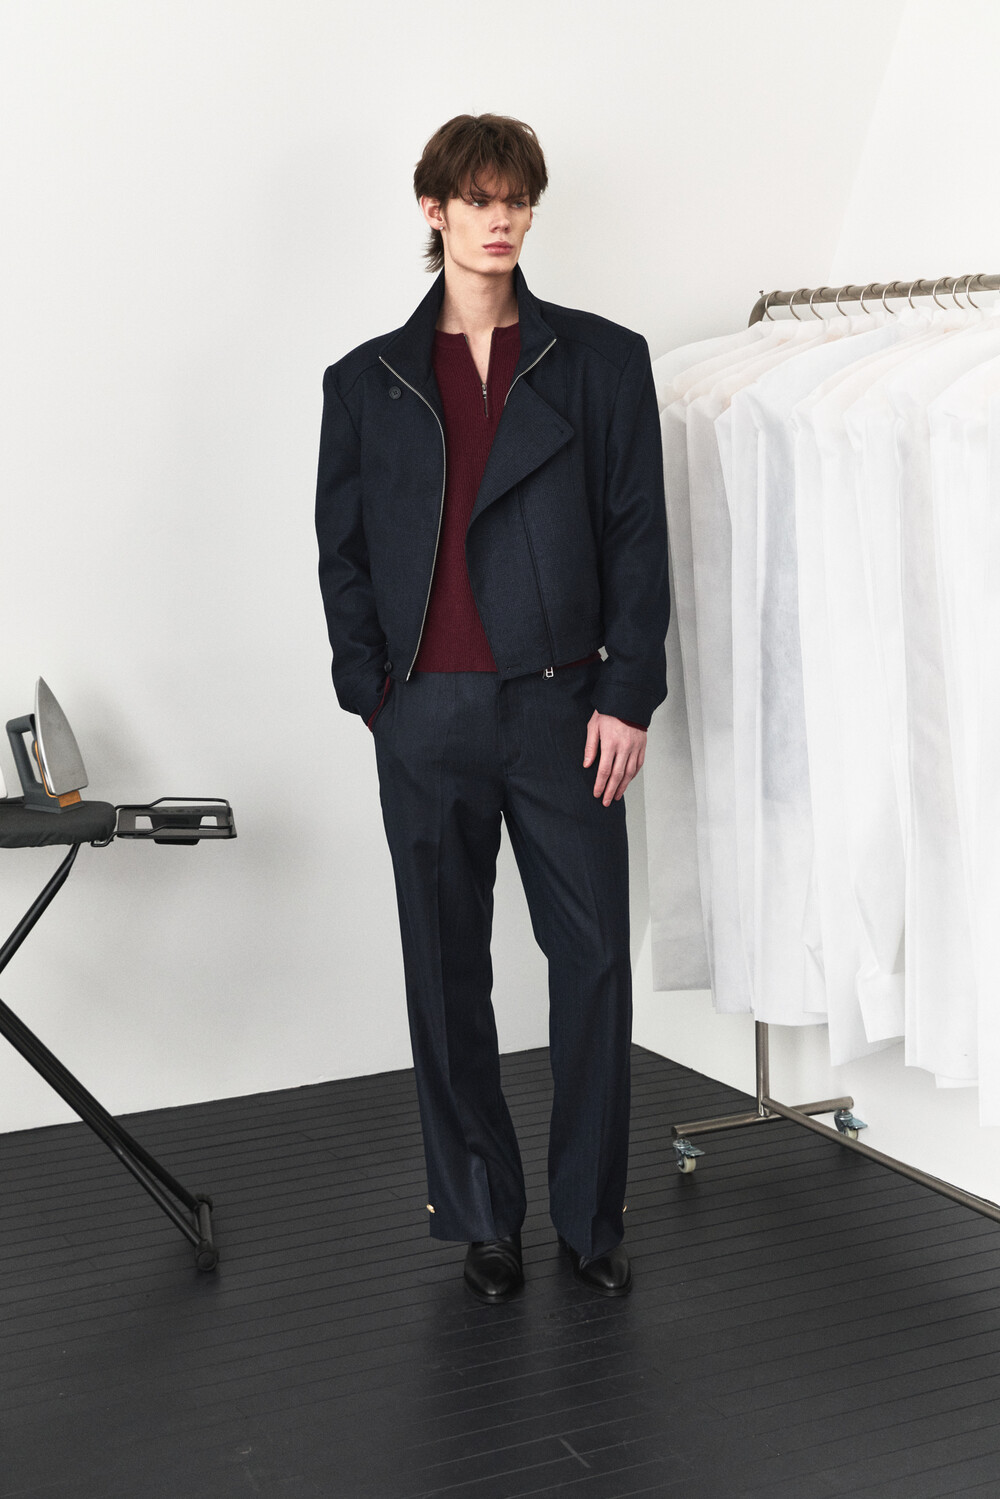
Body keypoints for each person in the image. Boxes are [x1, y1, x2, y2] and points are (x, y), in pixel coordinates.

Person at [315, 113, 668, 1302]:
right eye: (477, 199)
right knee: (444, 968)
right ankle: (482, 1217)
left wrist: (626, 691)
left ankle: (591, 1219)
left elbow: (636, 534)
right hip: (426, 714)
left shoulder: (600, 361)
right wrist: (372, 689)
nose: (500, 219)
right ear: (435, 211)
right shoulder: (366, 382)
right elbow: (343, 553)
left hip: (565, 709)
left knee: (595, 958)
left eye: (516, 199)